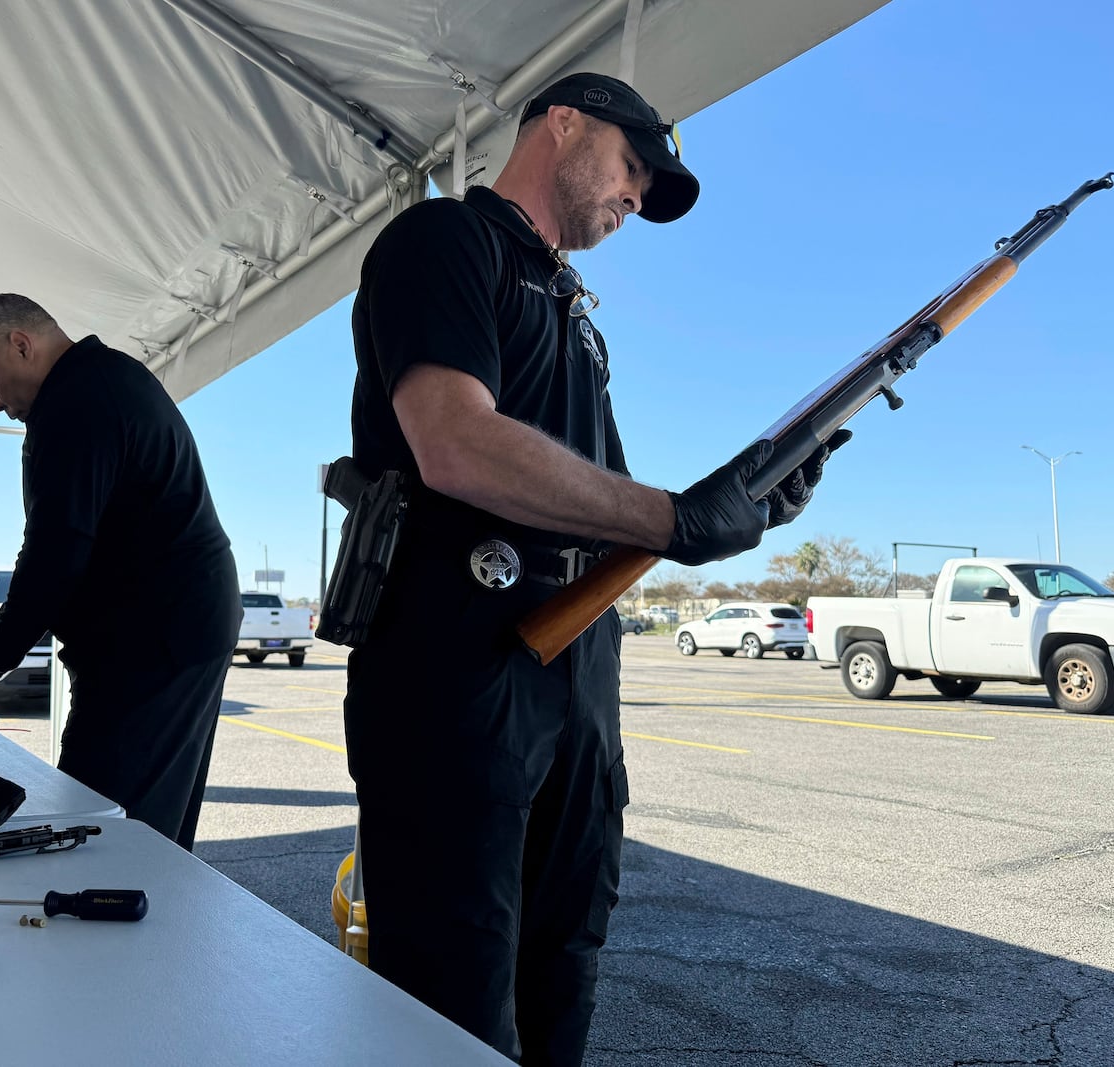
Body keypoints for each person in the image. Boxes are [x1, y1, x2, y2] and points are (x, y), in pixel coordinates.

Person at [341, 73, 847, 1064]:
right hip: (456, 680)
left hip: (576, 686)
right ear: (562, 123)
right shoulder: (445, 243)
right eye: (632, 168)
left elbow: (599, 506)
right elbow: (454, 443)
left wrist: (742, 503)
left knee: (561, 977)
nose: (635, 199)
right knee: (451, 998)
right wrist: (671, 515)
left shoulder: (575, 313)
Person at [0, 294, 241, 850]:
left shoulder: (79, 400)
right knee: (141, 822)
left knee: (102, 827)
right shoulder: (101, 379)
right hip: (171, 626)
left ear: (22, 345)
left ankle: (131, 929)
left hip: (158, 638)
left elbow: (54, 558)